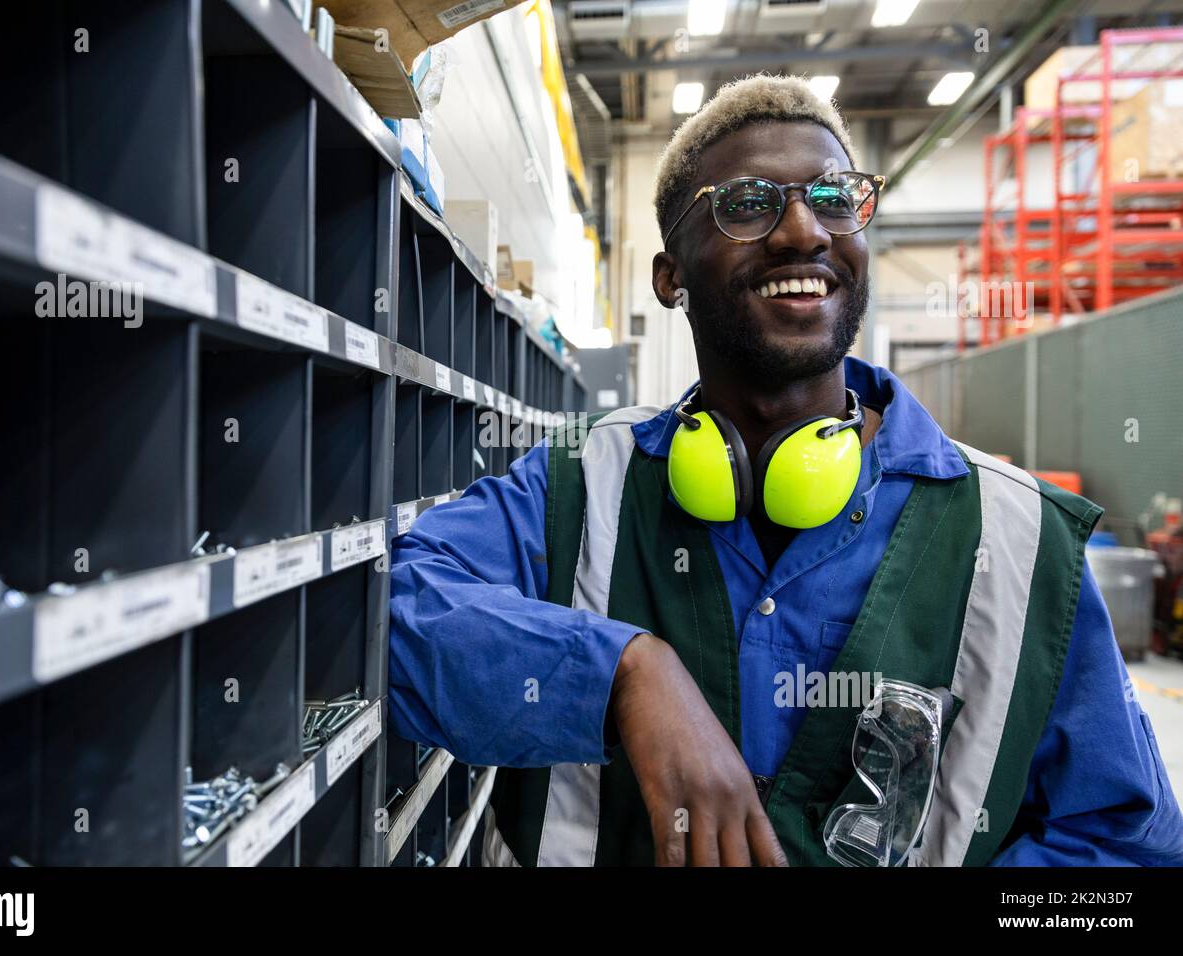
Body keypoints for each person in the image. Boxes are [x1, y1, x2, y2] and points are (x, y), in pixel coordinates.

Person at [388, 74, 1183, 866]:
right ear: (671, 278)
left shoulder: (1018, 540)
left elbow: (1126, 847)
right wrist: (623, 675)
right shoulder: (581, 486)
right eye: (746, 203)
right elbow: (392, 613)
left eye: (835, 198)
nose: (803, 230)